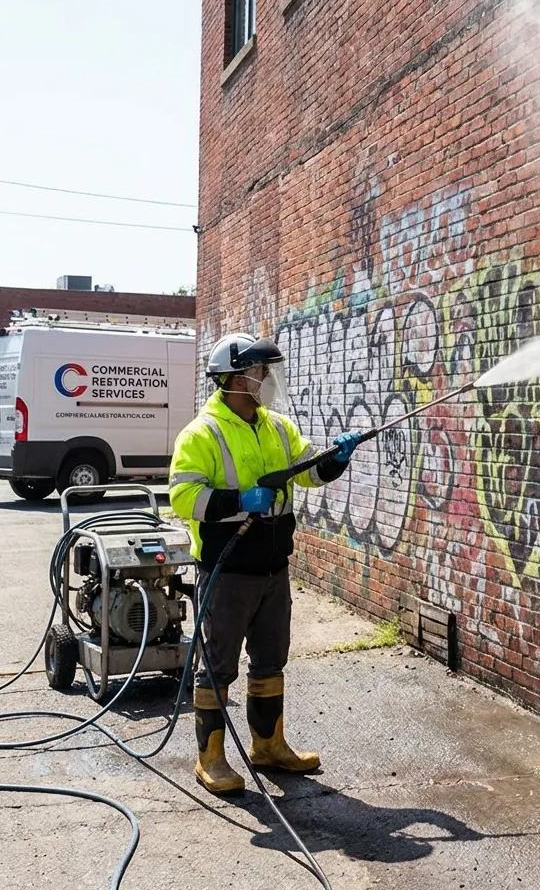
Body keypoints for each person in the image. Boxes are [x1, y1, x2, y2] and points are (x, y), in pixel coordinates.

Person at [169, 332, 362, 795]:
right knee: (218, 664)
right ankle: (211, 759)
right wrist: (241, 500)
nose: (268, 378)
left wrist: (335, 459)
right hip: (228, 568)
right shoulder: (202, 433)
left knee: (271, 659)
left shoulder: (276, 426)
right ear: (237, 379)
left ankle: (268, 746)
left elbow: (308, 471)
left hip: (274, 566)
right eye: (260, 371)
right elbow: (182, 496)